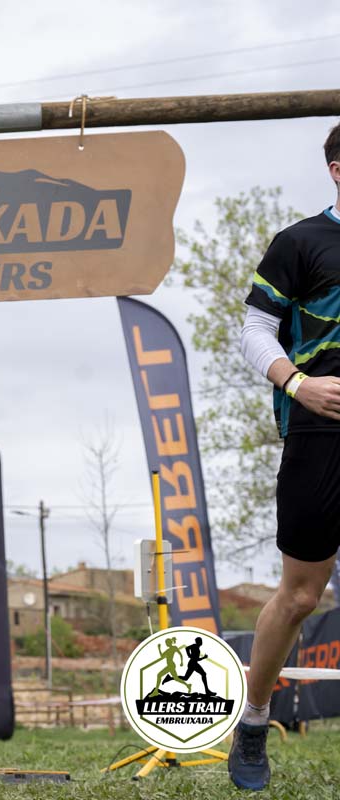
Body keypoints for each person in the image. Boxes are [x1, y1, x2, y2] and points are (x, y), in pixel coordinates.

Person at [233, 122, 340, 792]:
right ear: (337, 169)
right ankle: (253, 718)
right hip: (319, 431)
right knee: (301, 595)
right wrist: (298, 384)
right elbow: (253, 328)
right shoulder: (300, 242)